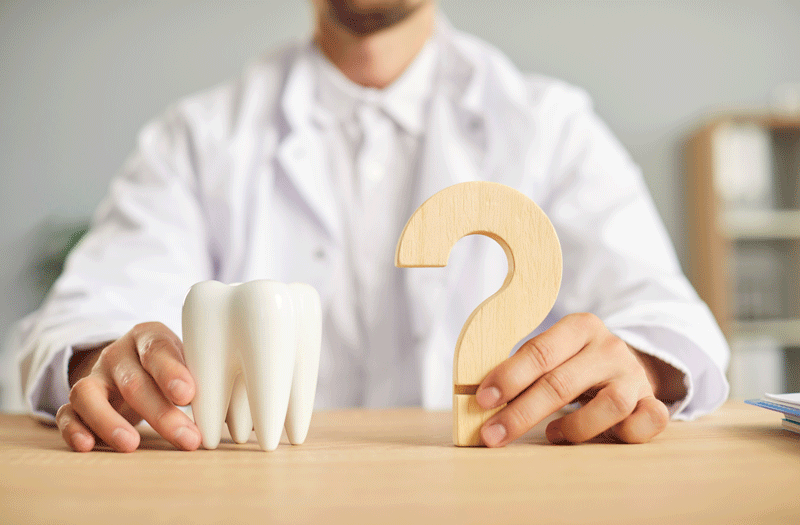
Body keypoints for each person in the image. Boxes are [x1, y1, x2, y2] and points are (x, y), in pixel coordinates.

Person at [13, 0, 729, 453]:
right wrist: (104, 360)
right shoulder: (196, 138)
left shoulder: (551, 125)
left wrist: (641, 363)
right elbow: (87, 309)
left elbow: (666, 312)